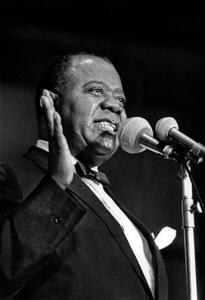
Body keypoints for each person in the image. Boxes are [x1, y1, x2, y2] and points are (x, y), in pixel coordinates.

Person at [0, 52, 168, 299]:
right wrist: (56, 184)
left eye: (120, 98)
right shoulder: (12, 179)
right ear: (51, 102)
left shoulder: (117, 205)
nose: (115, 106)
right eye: (96, 91)